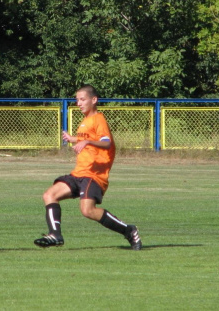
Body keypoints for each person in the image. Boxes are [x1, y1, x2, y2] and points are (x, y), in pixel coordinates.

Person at [34, 84, 142, 250]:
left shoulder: (99, 119)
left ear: (94, 100)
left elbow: (106, 143)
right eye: (77, 100)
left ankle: (129, 230)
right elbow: (87, 138)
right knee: (49, 195)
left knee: (88, 210)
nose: (79, 103)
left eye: (82, 99)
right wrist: (74, 139)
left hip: (94, 175)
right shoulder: (85, 122)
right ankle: (55, 235)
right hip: (78, 174)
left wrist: (86, 141)